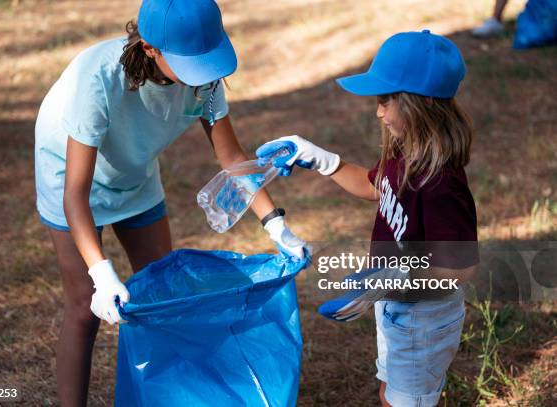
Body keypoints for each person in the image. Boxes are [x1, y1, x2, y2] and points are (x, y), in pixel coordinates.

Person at [34, 0, 306, 405]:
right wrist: (102, 272)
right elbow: (76, 192)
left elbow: (232, 158)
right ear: (149, 49)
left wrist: (276, 225)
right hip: (70, 177)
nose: (203, 74)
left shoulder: (205, 82)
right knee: (83, 306)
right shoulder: (98, 80)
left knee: (165, 294)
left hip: (136, 174)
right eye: (191, 62)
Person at [257, 30, 479, 407]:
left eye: (385, 100)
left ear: (420, 104)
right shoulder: (404, 153)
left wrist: (394, 279)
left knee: (406, 401)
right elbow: (372, 186)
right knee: (390, 390)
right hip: (395, 302)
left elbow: (459, 268)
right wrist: (323, 160)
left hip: (423, 317)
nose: (378, 111)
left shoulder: (440, 182)